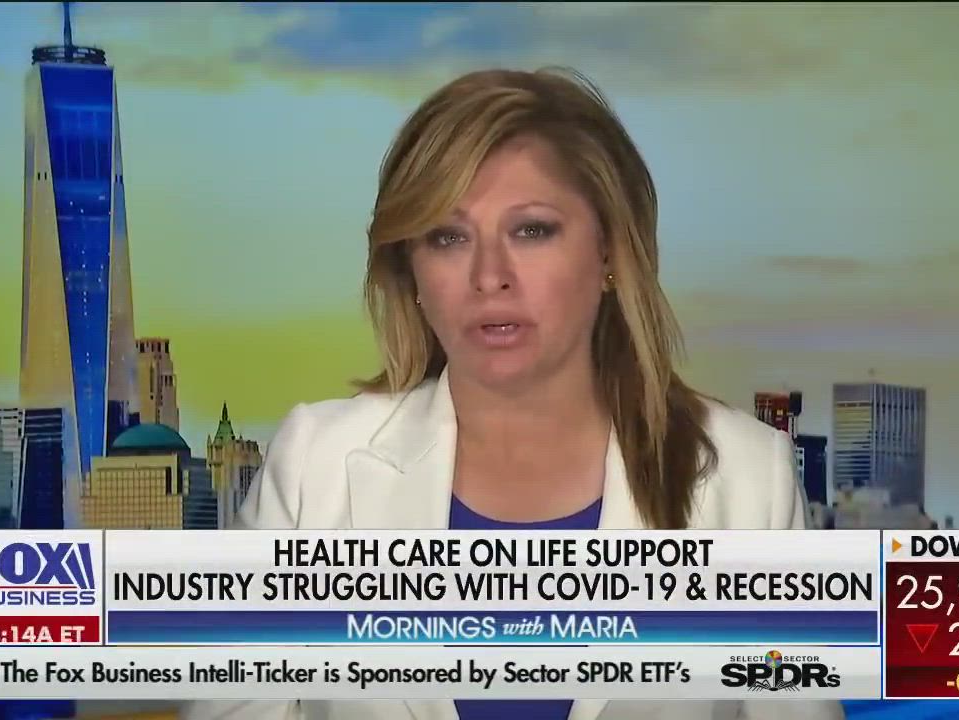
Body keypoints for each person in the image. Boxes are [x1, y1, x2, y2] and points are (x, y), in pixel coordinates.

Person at [182, 68, 844, 720]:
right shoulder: (315, 465)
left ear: (609, 253)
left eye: (531, 230)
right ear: (411, 273)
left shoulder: (746, 479)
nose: (489, 276)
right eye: (448, 237)